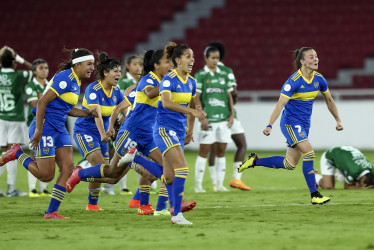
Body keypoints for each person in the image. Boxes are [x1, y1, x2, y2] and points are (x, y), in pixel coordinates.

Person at [239, 47, 344, 205]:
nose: (316, 59)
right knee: (309, 154)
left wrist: (338, 120)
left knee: (290, 164)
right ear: (302, 61)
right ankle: (314, 195)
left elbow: (329, 100)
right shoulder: (293, 81)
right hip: (290, 124)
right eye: (311, 57)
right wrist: (269, 125)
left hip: (303, 126)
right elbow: (280, 104)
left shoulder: (319, 79)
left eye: (316, 56)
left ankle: (255, 161)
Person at [0, 48, 97, 218]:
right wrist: (38, 130)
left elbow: (67, 108)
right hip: (45, 127)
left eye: (93, 64)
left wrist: (87, 113)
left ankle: (51, 212)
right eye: (89, 64)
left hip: (59, 127)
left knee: (68, 168)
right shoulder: (65, 78)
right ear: (78, 64)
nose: (92, 68)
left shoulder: (76, 80)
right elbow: (42, 102)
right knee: (45, 176)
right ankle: (17, 153)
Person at [152, 42, 206, 224]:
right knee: (182, 169)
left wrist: (190, 131)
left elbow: (193, 106)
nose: (192, 60)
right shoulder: (169, 79)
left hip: (177, 131)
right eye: (188, 56)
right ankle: (177, 215)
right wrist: (192, 112)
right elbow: (166, 103)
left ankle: (135, 159)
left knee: (169, 176)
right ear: (177, 60)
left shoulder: (191, 82)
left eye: (193, 56)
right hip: (164, 129)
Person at [73, 52, 124, 211]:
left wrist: (124, 119)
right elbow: (97, 114)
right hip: (85, 131)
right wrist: (103, 133)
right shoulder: (93, 89)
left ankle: (92, 205)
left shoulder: (116, 90)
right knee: (101, 168)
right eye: (115, 71)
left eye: (119, 71)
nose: (118, 74)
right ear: (105, 73)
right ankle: (78, 173)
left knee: (105, 172)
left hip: (103, 134)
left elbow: (124, 107)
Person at [207, 41, 251, 191]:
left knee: (214, 148)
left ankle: (215, 183)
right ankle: (236, 179)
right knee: (242, 144)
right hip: (229, 115)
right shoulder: (227, 71)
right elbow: (234, 93)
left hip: (214, 115)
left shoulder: (204, 73)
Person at [194, 45, 235, 193]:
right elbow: (196, 97)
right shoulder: (200, 75)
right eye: (213, 58)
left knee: (221, 152)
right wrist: (201, 116)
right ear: (206, 58)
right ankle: (198, 185)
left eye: (217, 58)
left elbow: (229, 95)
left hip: (223, 119)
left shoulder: (223, 75)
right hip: (208, 120)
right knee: (204, 151)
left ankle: (219, 184)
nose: (215, 60)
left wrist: (232, 114)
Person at [102, 54, 140, 196]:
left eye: (140, 64)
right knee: (119, 154)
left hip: (127, 120)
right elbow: (120, 103)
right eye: (135, 64)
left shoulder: (138, 82)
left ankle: (129, 188)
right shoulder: (123, 82)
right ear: (128, 66)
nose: (138, 67)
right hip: (120, 122)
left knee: (130, 153)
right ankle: (112, 184)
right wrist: (122, 116)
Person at [0, 46, 32, 197]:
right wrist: (19, 59)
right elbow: (36, 71)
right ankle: (11, 189)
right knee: (12, 153)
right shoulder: (19, 75)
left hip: (1, 118)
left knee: (3, 153)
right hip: (15, 119)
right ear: (13, 63)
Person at [24, 58, 50, 197]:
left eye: (46, 68)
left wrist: (42, 100)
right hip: (34, 124)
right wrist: (45, 102)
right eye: (41, 68)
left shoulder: (49, 86)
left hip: (48, 123)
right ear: (34, 71)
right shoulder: (30, 86)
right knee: (34, 154)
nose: (45, 70)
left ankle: (43, 189)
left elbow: (42, 103)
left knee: (47, 153)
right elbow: (36, 106)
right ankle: (32, 189)